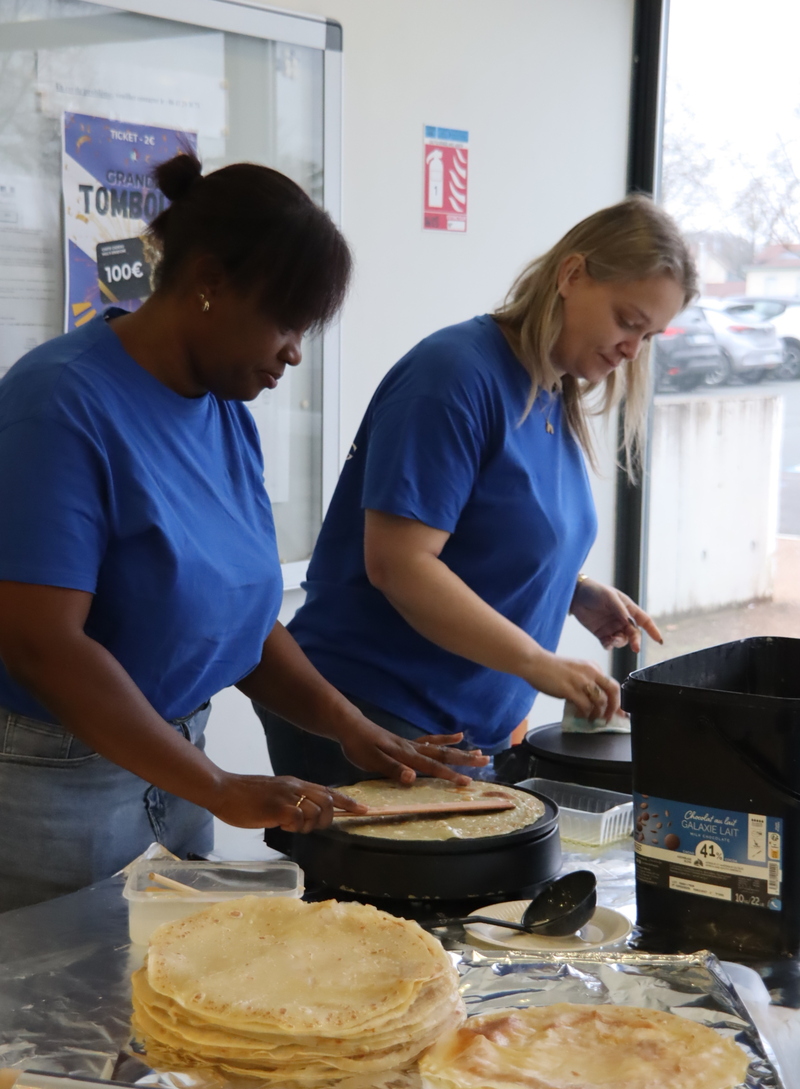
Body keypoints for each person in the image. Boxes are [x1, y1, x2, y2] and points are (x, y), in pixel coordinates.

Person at [0, 151, 482, 912]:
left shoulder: (224, 413)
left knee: (172, 980)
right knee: (60, 988)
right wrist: (219, 786)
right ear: (209, 282)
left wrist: (349, 726)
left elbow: (243, 623)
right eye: (285, 323)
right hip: (55, 788)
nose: (294, 351)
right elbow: (41, 643)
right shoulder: (59, 403)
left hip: (175, 769)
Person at [259, 195, 697, 785]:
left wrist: (568, 590)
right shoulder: (453, 376)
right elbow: (399, 565)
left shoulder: (551, 391)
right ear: (572, 275)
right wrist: (537, 663)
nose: (632, 350)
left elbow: (484, 532)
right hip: (375, 714)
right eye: (627, 321)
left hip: (462, 728)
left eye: (649, 337)